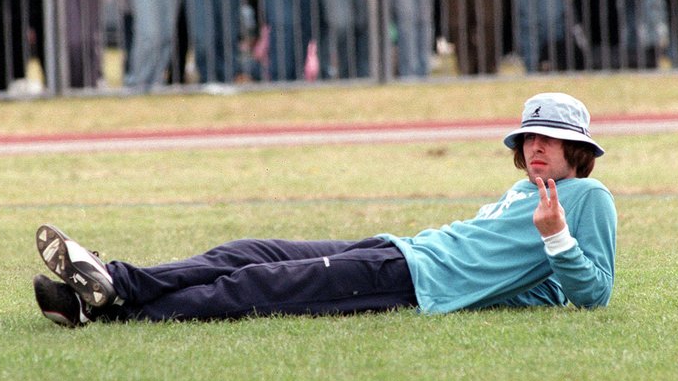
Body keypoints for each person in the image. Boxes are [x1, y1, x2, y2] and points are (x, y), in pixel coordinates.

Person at [31, 92, 617, 327]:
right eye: (530, 138)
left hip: (415, 280)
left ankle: (110, 305)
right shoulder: (521, 195)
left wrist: (558, 237)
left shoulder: (587, 198)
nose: (536, 146)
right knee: (249, 250)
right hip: (399, 248)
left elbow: (595, 292)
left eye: (549, 138)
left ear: (577, 150)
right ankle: (110, 283)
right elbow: (534, 283)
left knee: (260, 283)